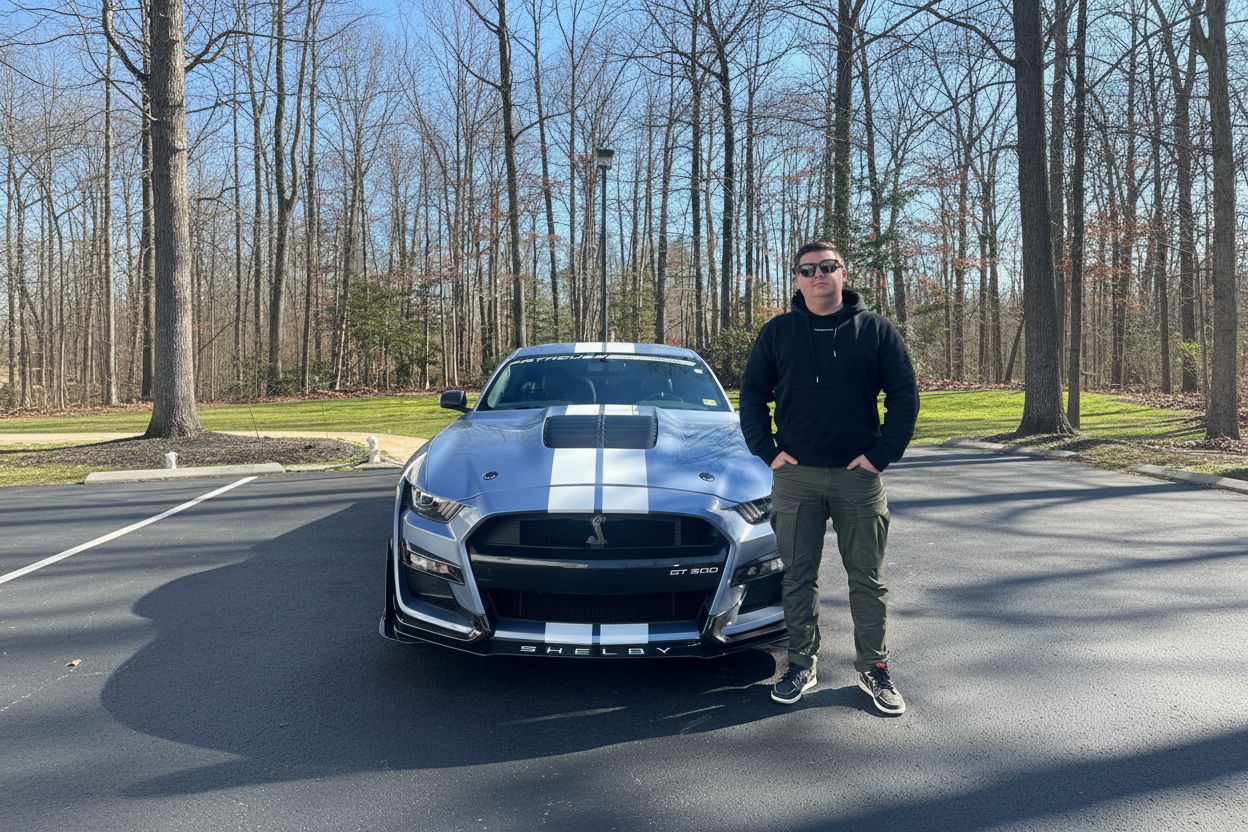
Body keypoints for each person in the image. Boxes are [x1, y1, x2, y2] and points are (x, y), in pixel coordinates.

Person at [739, 240, 919, 713]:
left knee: (868, 578)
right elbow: (752, 396)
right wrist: (768, 451)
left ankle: (873, 668)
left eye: (828, 267)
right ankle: (801, 662)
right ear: (797, 279)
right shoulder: (777, 333)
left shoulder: (876, 331)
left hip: (858, 477)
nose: (818, 275)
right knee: (798, 576)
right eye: (808, 269)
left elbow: (904, 396)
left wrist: (882, 455)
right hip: (795, 477)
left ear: (844, 273)